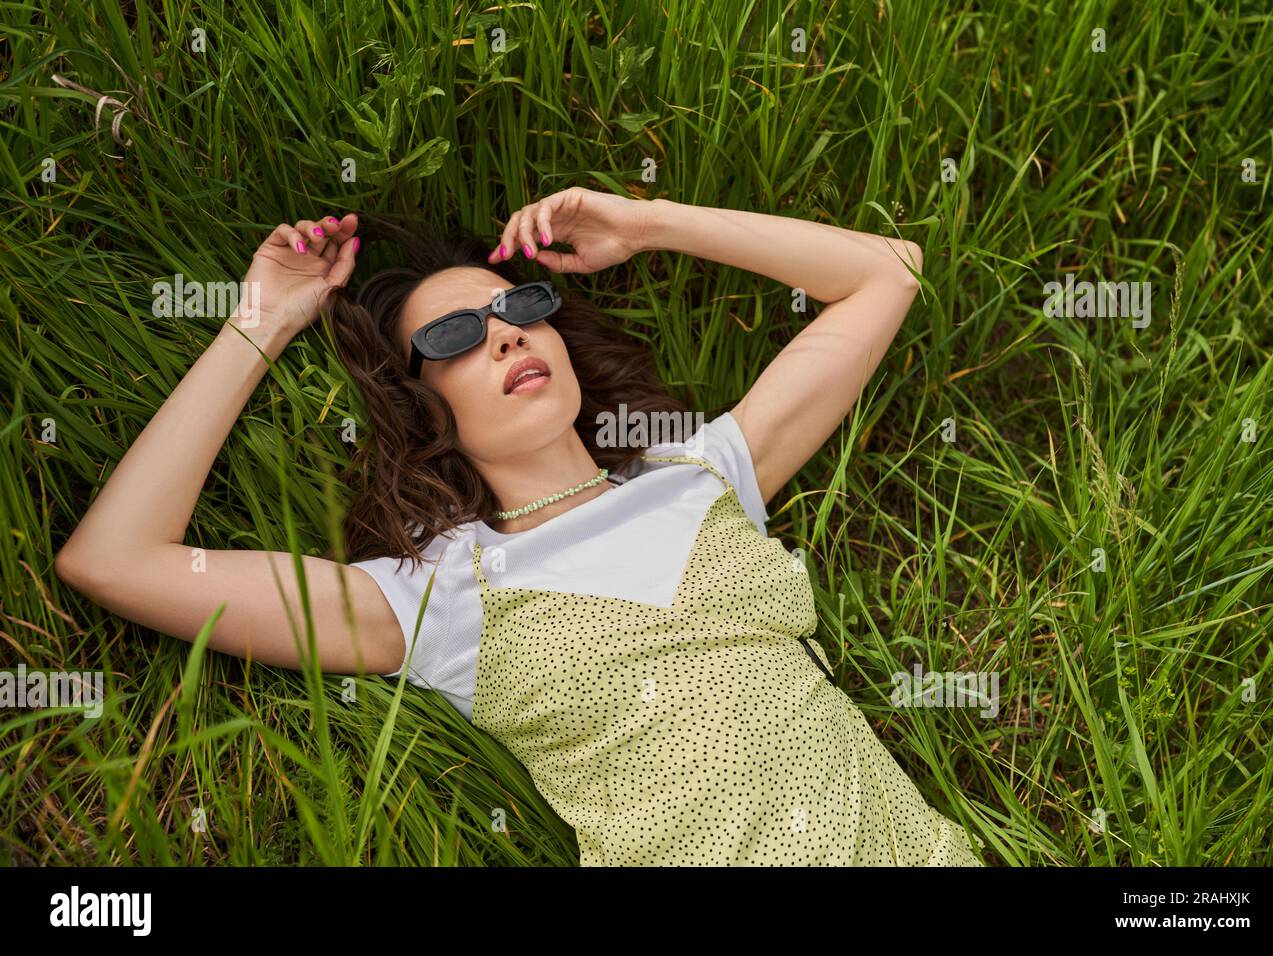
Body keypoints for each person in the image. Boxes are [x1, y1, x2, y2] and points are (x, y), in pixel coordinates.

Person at [55, 187, 984, 865]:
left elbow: (885, 272)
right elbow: (115, 558)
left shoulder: (703, 475)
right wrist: (263, 319)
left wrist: (646, 223)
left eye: (519, 309)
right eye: (455, 337)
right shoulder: (437, 594)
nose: (503, 334)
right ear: (421, 406)